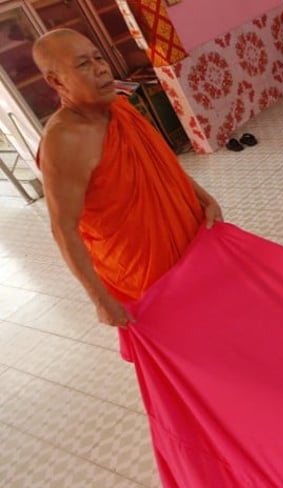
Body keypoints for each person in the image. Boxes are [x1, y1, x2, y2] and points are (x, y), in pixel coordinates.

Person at [32, 28, 222, 327]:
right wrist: (100, 300)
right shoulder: (63, 141)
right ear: (55, 81)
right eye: (83, 64)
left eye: (98, 57)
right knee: (184, 336)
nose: (101, 67)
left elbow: (162, 167)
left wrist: (203, 197)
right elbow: (63, 229)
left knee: (220, 318)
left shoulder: (119, 106)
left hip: (190, 238)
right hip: (142, 271)